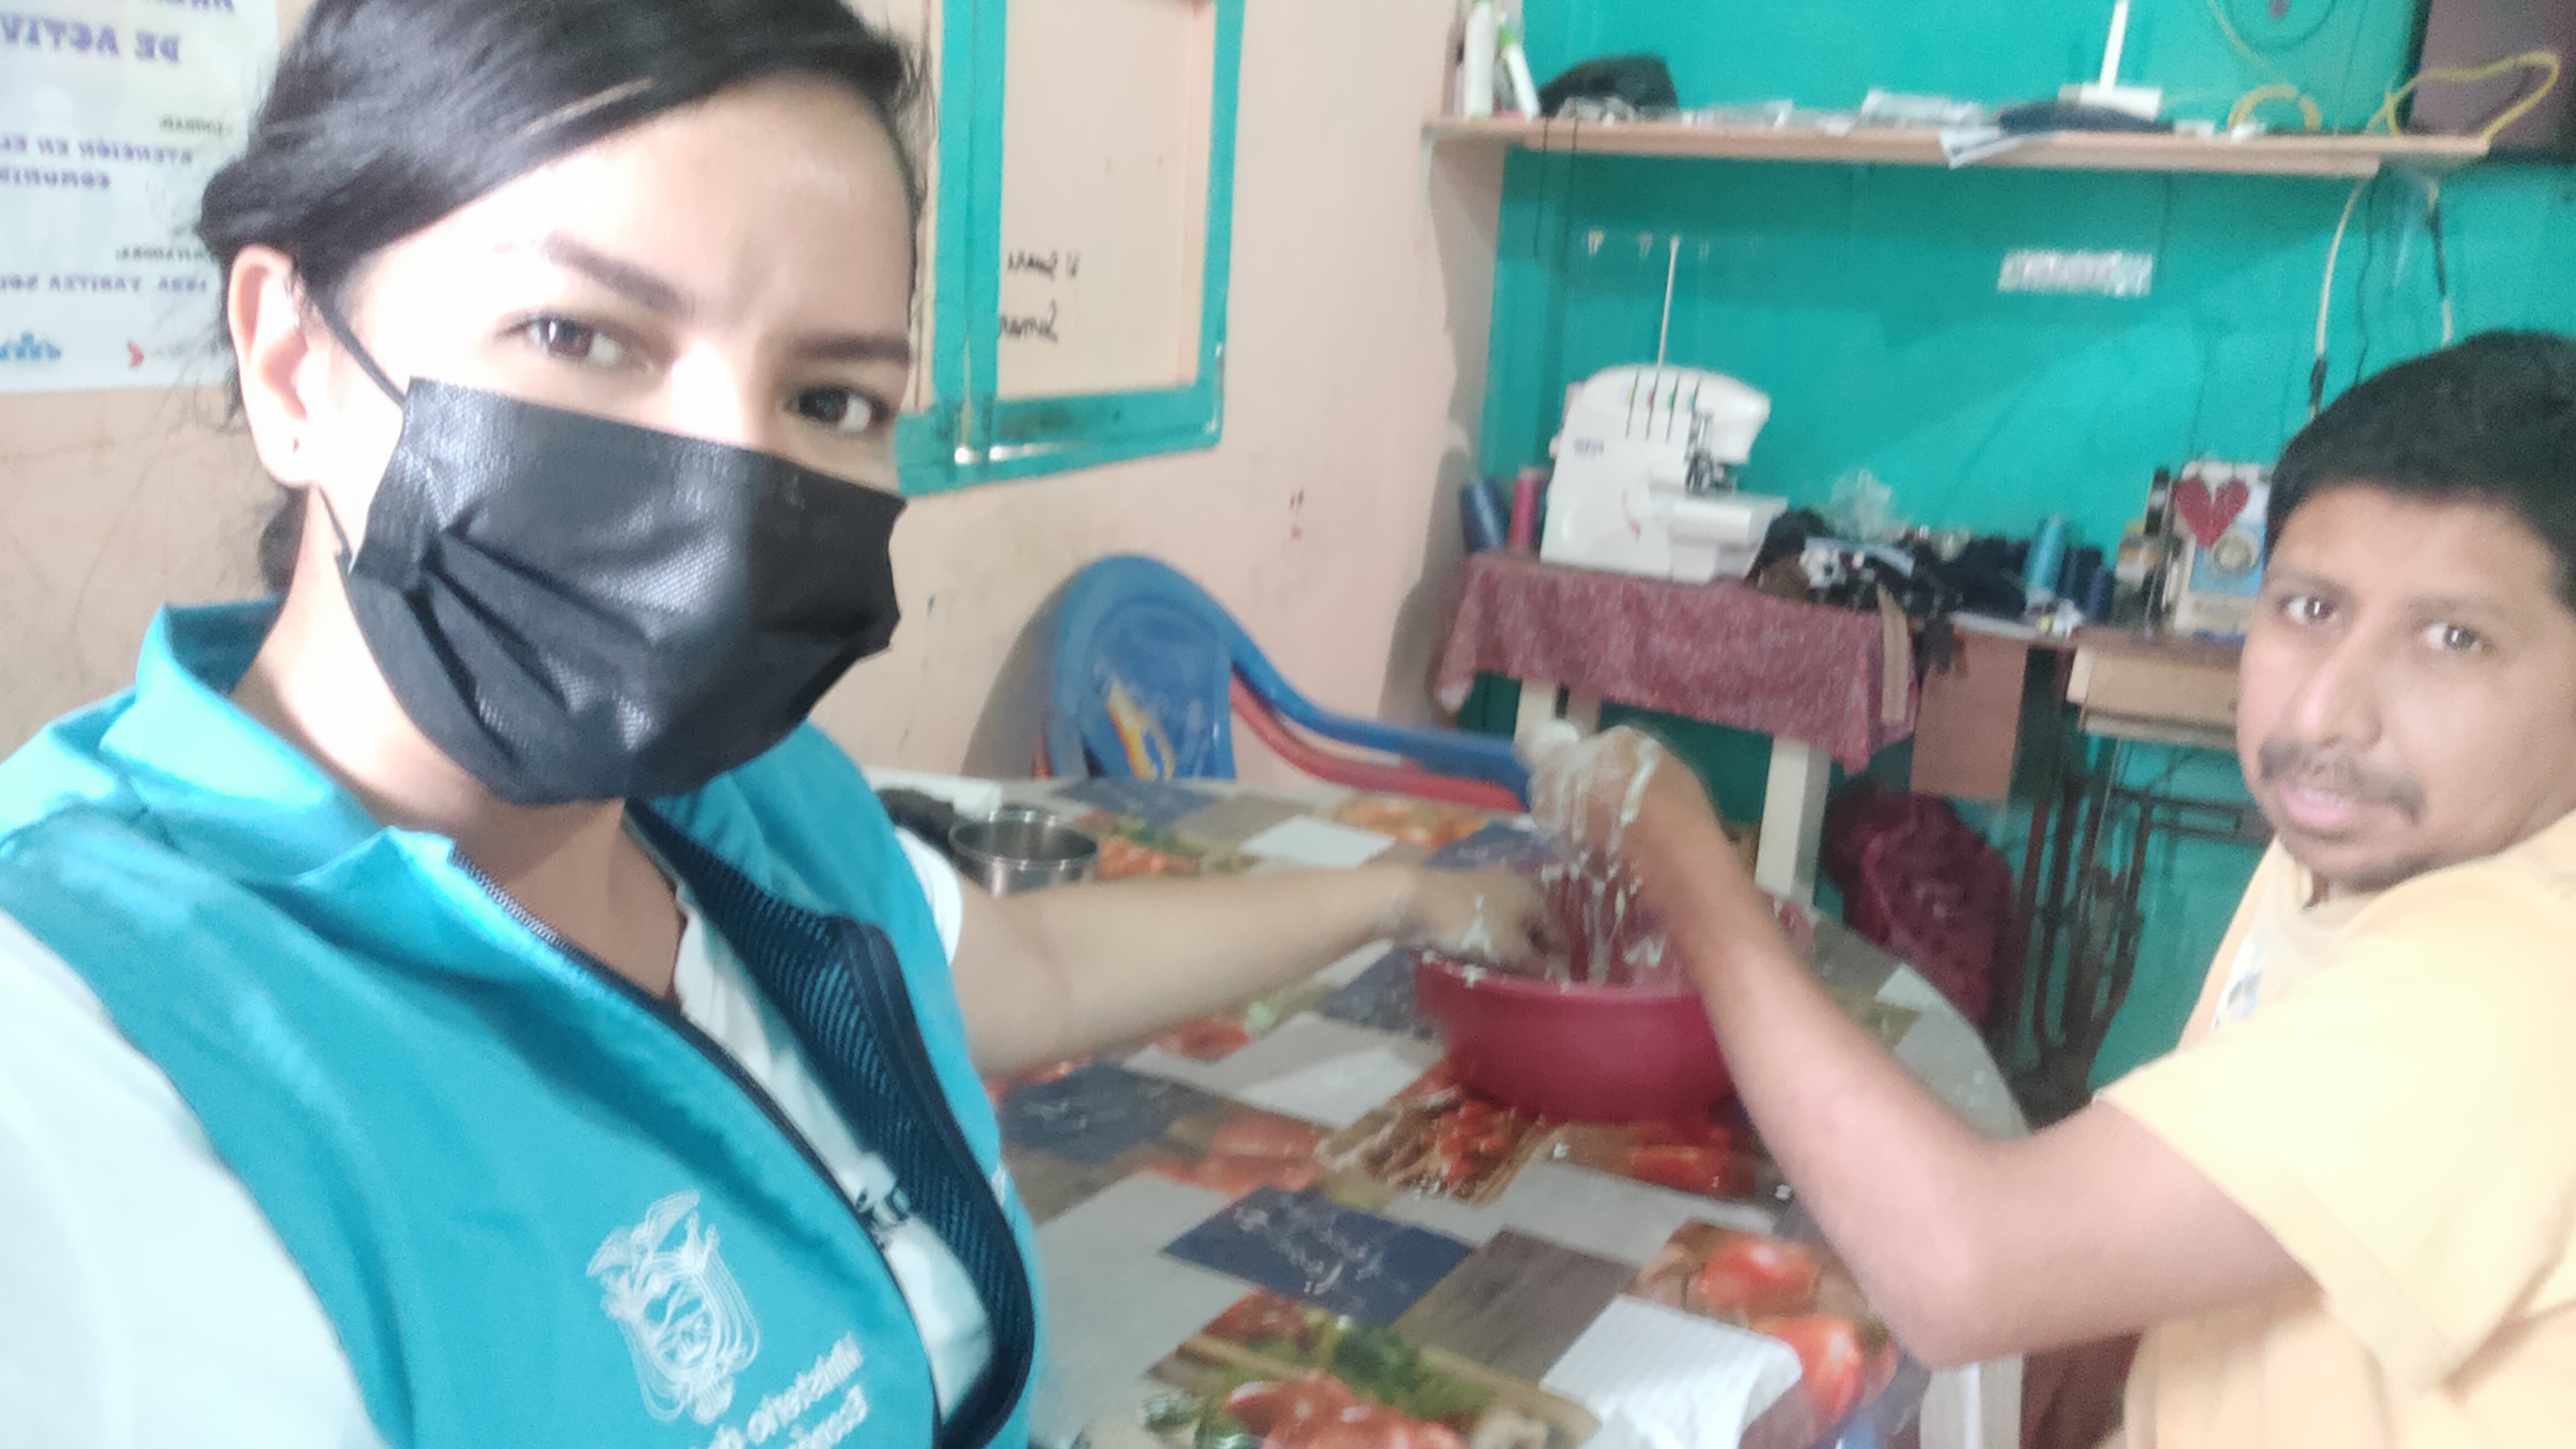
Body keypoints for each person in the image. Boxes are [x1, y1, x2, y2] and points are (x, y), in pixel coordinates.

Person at [0, 2, 1547, 1446]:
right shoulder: (87, 1055)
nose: (723, 520)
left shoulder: (752, 811)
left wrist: (1400, 897)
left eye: (830, 402)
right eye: (579, 336)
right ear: (291, 364)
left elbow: (1030, 971)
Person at [1530, 332, 2576, 1447]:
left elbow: (1962, 1269)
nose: (2328, 714)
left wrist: (1674, 847)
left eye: (2454, 638)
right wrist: (2110, 1332)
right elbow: (2246, 1174)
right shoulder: (2369, 839)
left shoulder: (2510, 975)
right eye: (2311, 608)